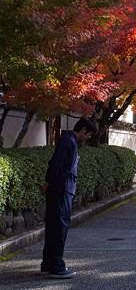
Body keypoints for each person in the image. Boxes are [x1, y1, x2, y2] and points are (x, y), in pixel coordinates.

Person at [41, 117, 97, 279]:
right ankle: (56, 266)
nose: (88, 138)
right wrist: (49, 182)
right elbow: (56, 165)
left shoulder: (68, 140)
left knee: (53, 227)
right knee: (59, 228)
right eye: (88, 135)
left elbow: (55, 164)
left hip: (59, 189)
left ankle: (48, 263)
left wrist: (49, 182)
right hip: (61, 190)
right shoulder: (69, 142)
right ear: (83, 130)